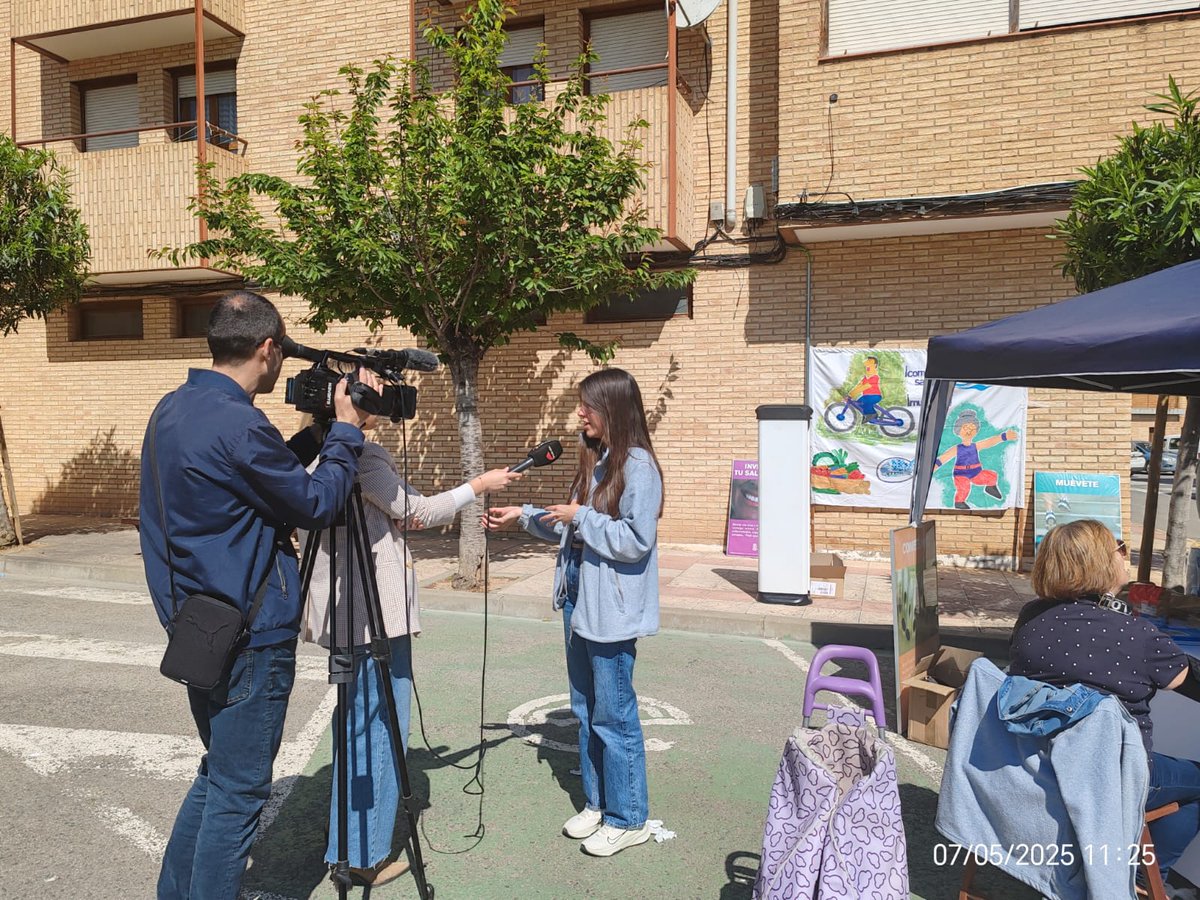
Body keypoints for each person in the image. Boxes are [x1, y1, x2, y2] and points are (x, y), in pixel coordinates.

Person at [139, 290, 380, 900]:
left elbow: (255, 474)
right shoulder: (240, 423)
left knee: (217, 776)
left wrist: (318, 433)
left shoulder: (174, 409)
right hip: (250, 633)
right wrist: (348, 433)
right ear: (269, 348)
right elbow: (318, 504)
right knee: (241, 792)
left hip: (199, 624)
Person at [299, 416, 523, 886]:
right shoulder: (360, 453)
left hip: (342, 612)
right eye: (371, 385)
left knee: (356, 726)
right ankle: (363, 856)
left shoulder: (311, 453)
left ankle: (345, 841)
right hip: (374, 616)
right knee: (379, 730)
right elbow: (419, 511)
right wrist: (481, 484)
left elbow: (392, 510)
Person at [484, 367, 663, 858]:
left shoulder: (639, 467)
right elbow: (573, 530)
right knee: (585, 710)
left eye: (588, 405)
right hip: (579, 598)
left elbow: (635, 541)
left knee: (614, 714)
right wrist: (522, 516)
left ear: (615, 410)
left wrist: (579, 515)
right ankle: (599, 803)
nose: (579, 414)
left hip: (613, 609)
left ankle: (630, 818)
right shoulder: (596, 461)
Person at [1008, 519, 1200, 889]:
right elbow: (1189, 681)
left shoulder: (1030, 619)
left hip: (1034, 772)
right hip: (1110, 780)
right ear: (1102, 563)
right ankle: (1148, 878)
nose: (1126, 556)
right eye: (1121, 549)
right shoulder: (1137, 636)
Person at [933, 409, 1018, 509]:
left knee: (991, 476)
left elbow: (989, 442)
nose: (969, 430)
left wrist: (1003, 437)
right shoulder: (957, 448)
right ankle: (959, 502)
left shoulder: (976, 446)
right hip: (961, 474)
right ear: (958, 430)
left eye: (972, 428)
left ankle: (990, 488)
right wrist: (933, 468)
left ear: (976, 431)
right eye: (965, 427)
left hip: (976, 472)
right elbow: (943, 458)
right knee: (964, 488)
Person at [848, 355, 884, 422]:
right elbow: (859, 385)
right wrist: (850, 394)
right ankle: (870, 415)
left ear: (875, 366)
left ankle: (872, 415)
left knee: (865, 403)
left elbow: (865, 386)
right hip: (866, 396)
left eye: (870, 364)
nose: (867, 366)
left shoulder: (875, 377)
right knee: (858, 403)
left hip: (875, 396)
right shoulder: (866, 377)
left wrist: (852, 394)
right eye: (867, 364)